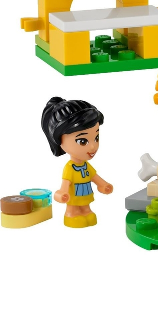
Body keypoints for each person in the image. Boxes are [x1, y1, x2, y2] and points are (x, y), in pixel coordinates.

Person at [41, 97, 113, 228]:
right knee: (73, 207)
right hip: (73, 197)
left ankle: (86, 212)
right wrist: (62, 193)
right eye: (83, 141)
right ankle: (71, 214)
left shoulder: (86, 165)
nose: (93, 146)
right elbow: (65, 184)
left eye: (96, 138)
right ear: (60, 140)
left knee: (87, 210)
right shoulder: (69, 168)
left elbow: (94, 177)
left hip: (85, 194)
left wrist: (103, 185)